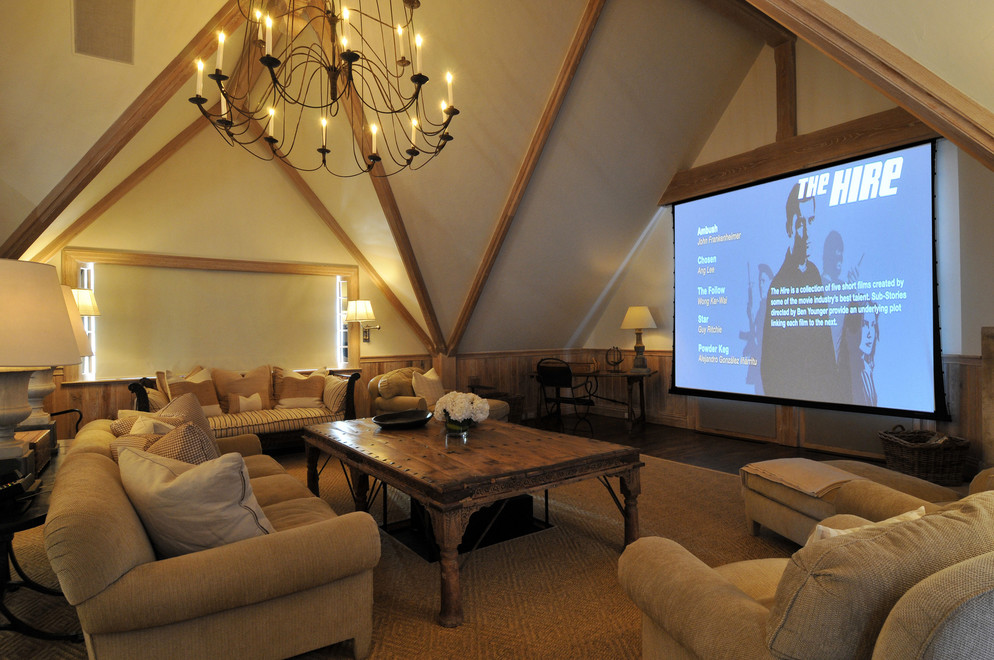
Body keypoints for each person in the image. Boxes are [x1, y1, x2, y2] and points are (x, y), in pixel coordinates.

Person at [760, 183, 838, 401]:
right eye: (801, 224)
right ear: (789, 228)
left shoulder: (814, 274)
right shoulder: (778, 286)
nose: (808, 232)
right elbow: (768, 365)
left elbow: (826, 345)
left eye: (811, 221)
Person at [740, 263, 773, 394]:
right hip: (759, 367)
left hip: (767, 367)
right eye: (759, 281)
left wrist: (752, 315)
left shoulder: (771, 307)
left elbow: (761, 338)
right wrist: (751, 317)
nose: (760, 285)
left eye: (763, 281)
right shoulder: (761, 306)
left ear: (771, 283)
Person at [838, 309, 880, 406]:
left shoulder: (867, 369)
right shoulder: (849, 371)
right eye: (865, 324)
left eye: (873, 325)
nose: (870, 334)